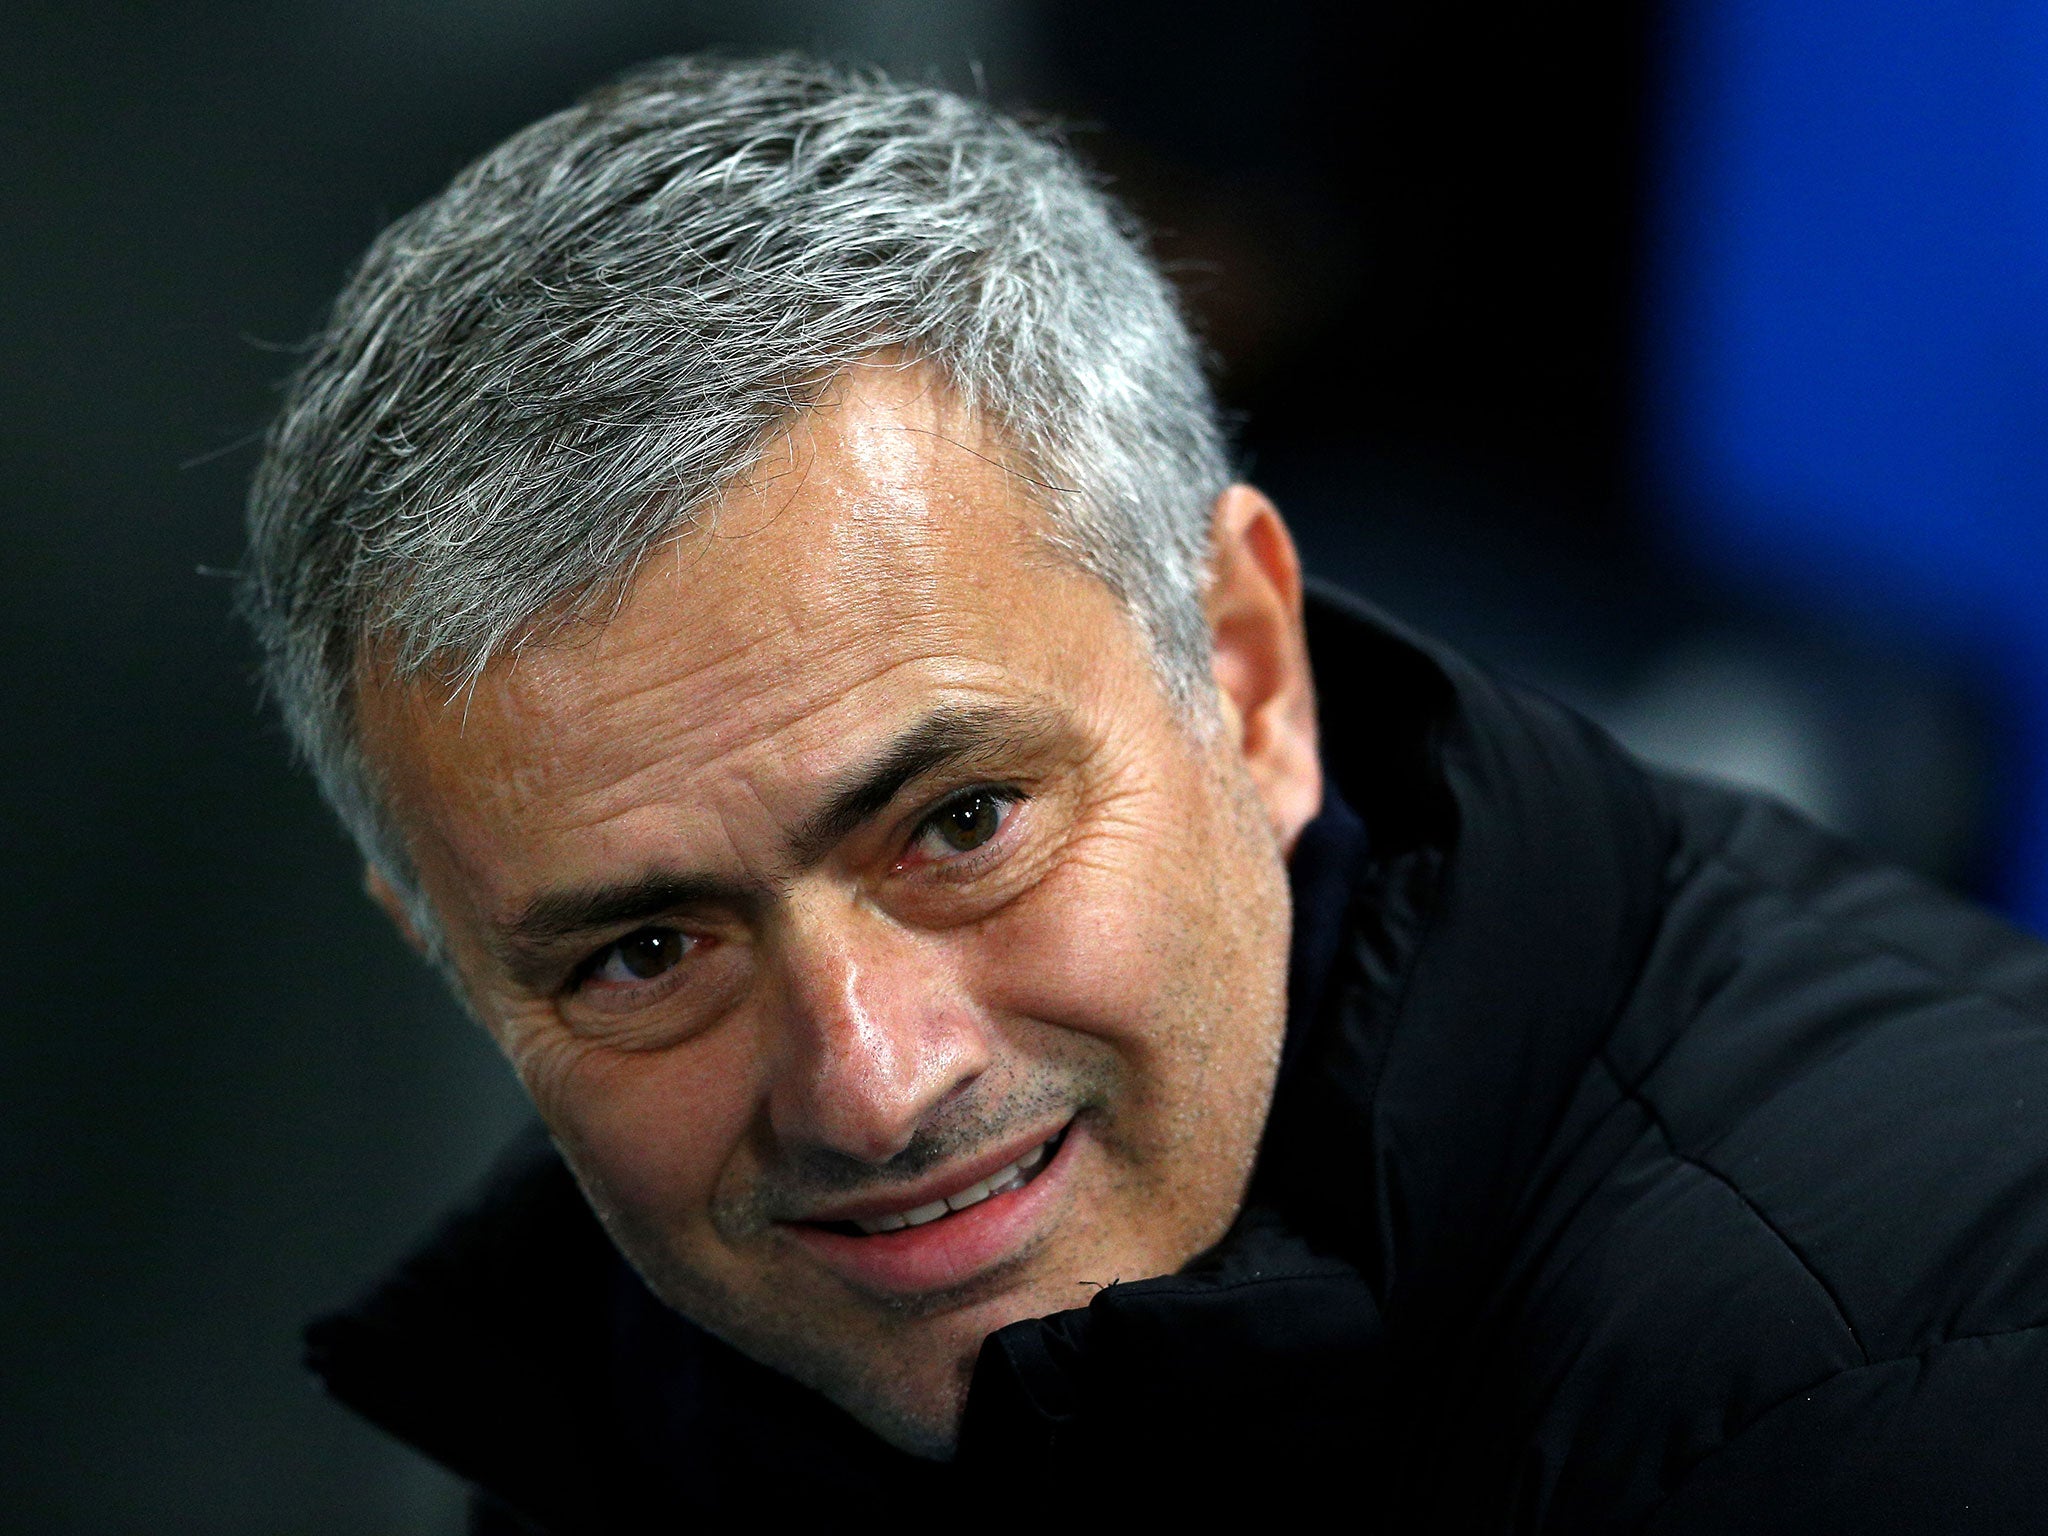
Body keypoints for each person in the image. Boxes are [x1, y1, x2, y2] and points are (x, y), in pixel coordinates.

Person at [242, 55, 2048, 1531]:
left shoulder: (1913, 1387)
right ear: (455, 954)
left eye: (959, 825)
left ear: (1252, 674)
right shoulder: (629, 1404)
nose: (869, 1085)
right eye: (644, 951)